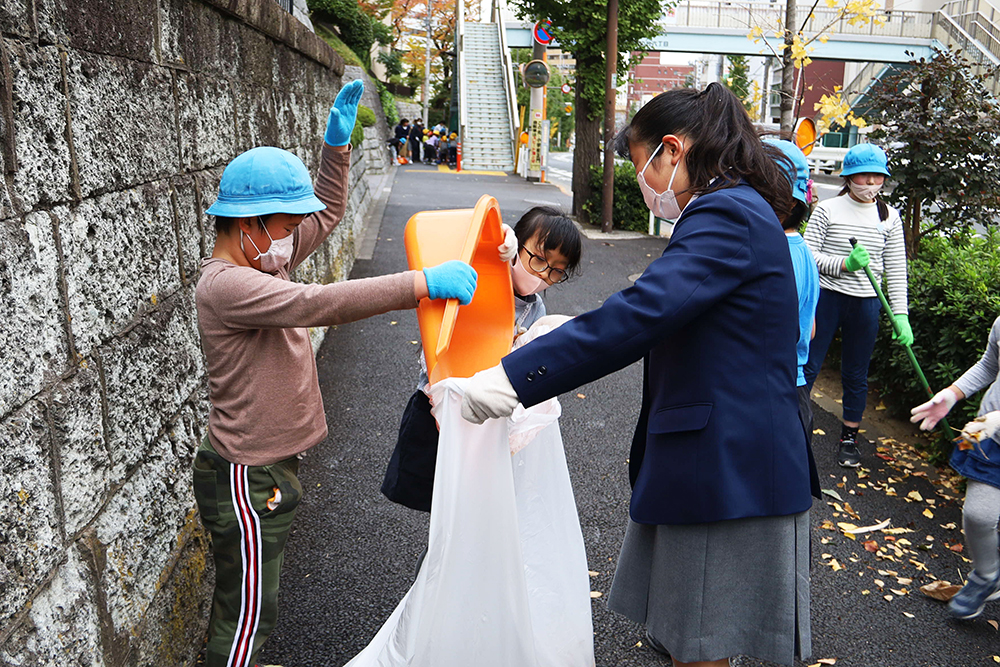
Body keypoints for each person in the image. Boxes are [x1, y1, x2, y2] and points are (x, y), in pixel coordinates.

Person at [460, 83, 813, 667]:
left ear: (671, 151)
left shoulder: (725, 212)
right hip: (730, 461)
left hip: (727, 467)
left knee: (701, 644)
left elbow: (643, 312)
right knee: (695, 640)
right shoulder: (739, 208)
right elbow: (663, 312)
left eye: (639, 165)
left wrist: (511, 379)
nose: (643, 184)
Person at [192, 80, 478, 667]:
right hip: (248, 475)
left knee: (252, 607)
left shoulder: (261, 258)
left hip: (265, 465)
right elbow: (319, 302)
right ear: (248, 224)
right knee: (246, 619)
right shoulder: (230, 285)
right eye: (281, 225)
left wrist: (335, 148)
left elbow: (324, 212)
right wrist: (420, 283)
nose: (290, 238)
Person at [382, 206, 582, 515]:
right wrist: (497, 238)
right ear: (516, 247)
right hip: (437, 409)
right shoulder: (481, 272)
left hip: (485, 422)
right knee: (437, 504)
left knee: (468, 509)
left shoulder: (536, 310)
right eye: (539, 258)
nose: (543, 274)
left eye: (556, 270)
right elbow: (472, 238)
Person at [801, 143, 910, 468]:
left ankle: (849, 437)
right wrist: (844, 264)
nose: (872, 185)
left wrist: (901, 315)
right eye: (865, 177)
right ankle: (794, 428)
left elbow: (896, 268)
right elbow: (808, 255)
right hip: (827, 298)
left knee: (856, 373)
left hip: (866, 304)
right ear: (849, 178)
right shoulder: (828, 211)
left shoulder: (889, 217)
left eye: (878, 178)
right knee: (808, 365)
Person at [910, 323, 1000, 619]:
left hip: (992, 427)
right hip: (991, 442)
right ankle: (987, 575)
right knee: (978, 515)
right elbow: (989, 364)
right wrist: (951, 394)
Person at [767, 138, 822, 499]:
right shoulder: (803, 252)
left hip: (776, 390)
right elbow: (811, 328)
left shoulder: (774, 255)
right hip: (798, 384)